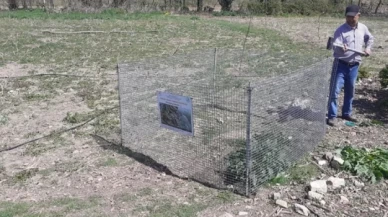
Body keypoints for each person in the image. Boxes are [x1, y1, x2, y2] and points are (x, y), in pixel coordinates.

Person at [327, 4, 374, 126]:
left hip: (354, 65)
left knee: (350, 90)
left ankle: (346, 113)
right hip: (340, 64)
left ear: (358, 16)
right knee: (334, 91)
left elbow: (370, 38)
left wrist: (368, 48)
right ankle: (332, 116)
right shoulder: (340, 30)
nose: (350, 19)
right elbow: (334, 48)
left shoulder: (363, 28)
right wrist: (341, 48)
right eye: (348, 17)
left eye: (353, 17)